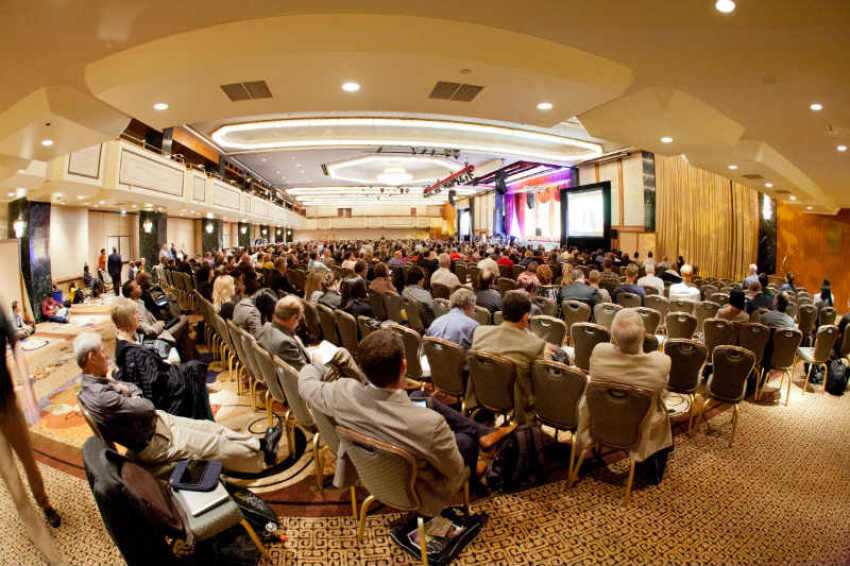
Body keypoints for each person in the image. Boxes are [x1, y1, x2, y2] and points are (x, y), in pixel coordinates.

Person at [298, 329, 506, 517]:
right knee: (466, 440)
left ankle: (480, 431)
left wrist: (316, 363)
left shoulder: (341, 393)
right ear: (404, 366)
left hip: (371, 472)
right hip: (417, 489)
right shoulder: (431, 425)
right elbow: (454, 471)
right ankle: (477, 441)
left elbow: (305, 384)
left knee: (420, 396)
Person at [75, 333, 282, 474]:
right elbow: (146, 405)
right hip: (154, 442)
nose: (106, 356)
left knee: (211, 428)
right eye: (102, 352)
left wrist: (129, 392)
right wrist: (130, 393)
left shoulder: (93, 383)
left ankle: (260, 445)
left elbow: (132, 388)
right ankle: (261, 458)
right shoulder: (101, 396)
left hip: (157, 424)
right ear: (92, 358)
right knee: (214, 444)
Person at [576, 308, 673, 484]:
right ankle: (653, 472)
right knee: (662, 409)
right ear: (644, 333)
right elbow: (661, 393)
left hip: (598, 424)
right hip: (637, 434)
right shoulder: (661, 362)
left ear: (613, 334)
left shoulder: (599, 352)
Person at [0, 304, 62, 565]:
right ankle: (52, 557)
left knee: (28, 462)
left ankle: (45, 503)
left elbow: (14, 342)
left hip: (7, 403)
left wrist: (27, 387)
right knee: (13, 484)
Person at [111, 298, 212, 420]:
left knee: (193, 369)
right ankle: (206, 421)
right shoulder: (131, 353)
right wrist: (164, 366)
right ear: (130, 319)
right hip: (164, 393)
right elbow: (152, 385)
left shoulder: (123, 341)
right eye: (136, 314)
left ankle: (205, 419)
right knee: (194, 372)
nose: (138, 317)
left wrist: (161, 363)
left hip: (162, 378)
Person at [470, 291, 547, 424]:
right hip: (516, 406)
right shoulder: (535, 345)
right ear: (525, 316)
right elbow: (540, 383)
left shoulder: (479, 332)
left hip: (481, 395)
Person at [121, 280, 187, 348]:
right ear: (132, 293)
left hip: (159, 330)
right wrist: (161, 323)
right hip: (158, 337)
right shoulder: (136, 309)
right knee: (184, 318)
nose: (139, 286)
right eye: (137, 286)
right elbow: (150, 331)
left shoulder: (138, 302)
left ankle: (182, 349)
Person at [257, 296, 315, 371]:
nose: (298, 324)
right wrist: (317, 361)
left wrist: (302, 348)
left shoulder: (266, 328)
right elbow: (305, 372)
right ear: (293, 318)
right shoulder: (285, 343)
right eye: (299, 319)